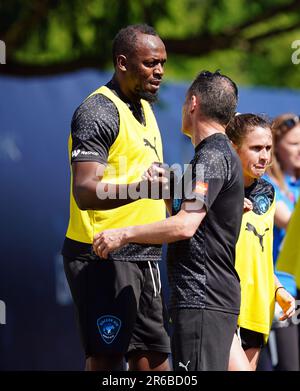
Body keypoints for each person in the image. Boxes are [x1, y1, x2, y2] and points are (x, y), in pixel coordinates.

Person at [93, 70, 245, 371]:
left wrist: (123, 234)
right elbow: (195, 221)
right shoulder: (213, 155)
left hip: (203, 298)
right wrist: (169, 191)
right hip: (205, 298)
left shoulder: (211, 157)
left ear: (193, 103)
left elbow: (185, 226)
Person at [62, 24, 171, 371]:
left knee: (155, 363)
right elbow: (85, 191)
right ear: (122, 62)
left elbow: (149, 182)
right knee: (108, 365)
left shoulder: (145, 109)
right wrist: (142, 188)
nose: (160, 72)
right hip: (102, 256)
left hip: (145, 256)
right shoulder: (98, 111)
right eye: (151, 63)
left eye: (163, 63)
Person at [225, 114, 296, 371]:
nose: (264, 156)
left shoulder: (268, 192)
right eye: (256, 148)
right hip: (223, 305)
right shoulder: (217, 187)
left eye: (267, 148)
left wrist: (277, 290)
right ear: (233, 147)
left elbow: (261, 255)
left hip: (258, 307)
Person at [258, 113, 300, 371]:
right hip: (279, 287)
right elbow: (289, 221)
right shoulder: (266, 183)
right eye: (294, 144)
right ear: (276, 146)